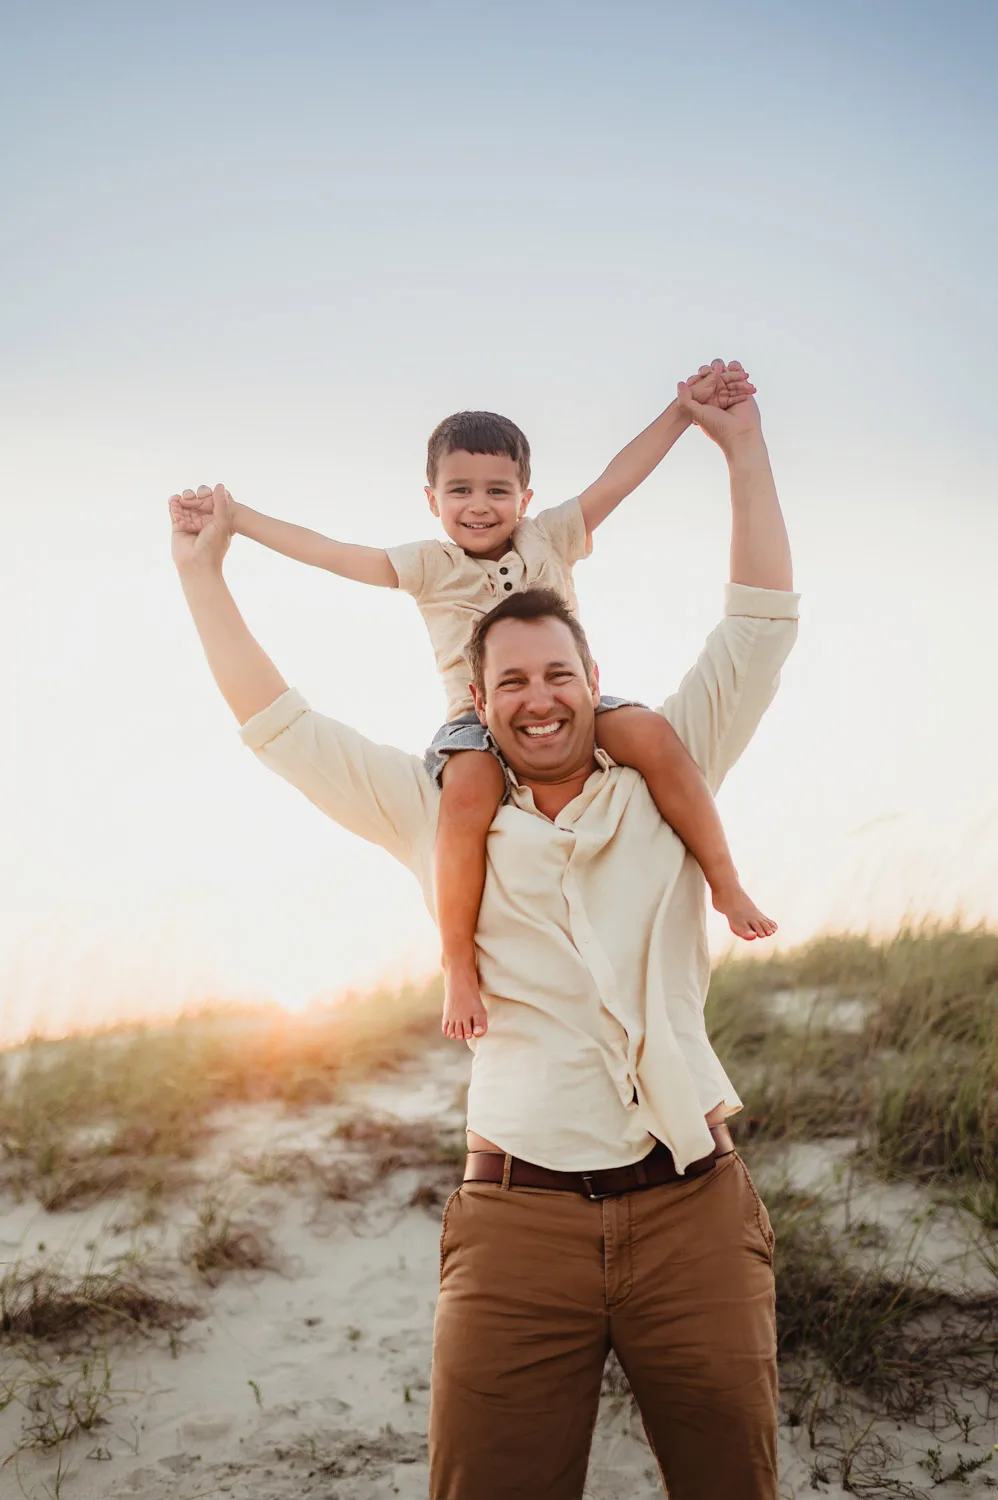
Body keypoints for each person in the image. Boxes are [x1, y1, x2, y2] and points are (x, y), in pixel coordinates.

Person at [168, 377, 798, 1500]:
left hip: (694, 1211)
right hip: (515, 1230)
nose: (538, 697)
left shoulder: (663, 765)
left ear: (593, 681)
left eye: (559, 673)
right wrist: (202, 571)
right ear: (476, 693)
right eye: (511, 681)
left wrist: (739, 447)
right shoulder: (433, 809)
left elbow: (754, 623)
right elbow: (279, 725)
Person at [181, 360, 776, 1046]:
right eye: (459, 489)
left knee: (655, 737)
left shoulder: (549, 537)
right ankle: (458, 965)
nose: (479, 504)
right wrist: (240, 521)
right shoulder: (428, 565)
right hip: (475, 724)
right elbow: (332, 553)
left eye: (498, 489)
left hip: (572, 699)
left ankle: (725, 883)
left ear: (525, 496)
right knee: (462, 805)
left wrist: (681, 414)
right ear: (432, 499)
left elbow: (619, 478)